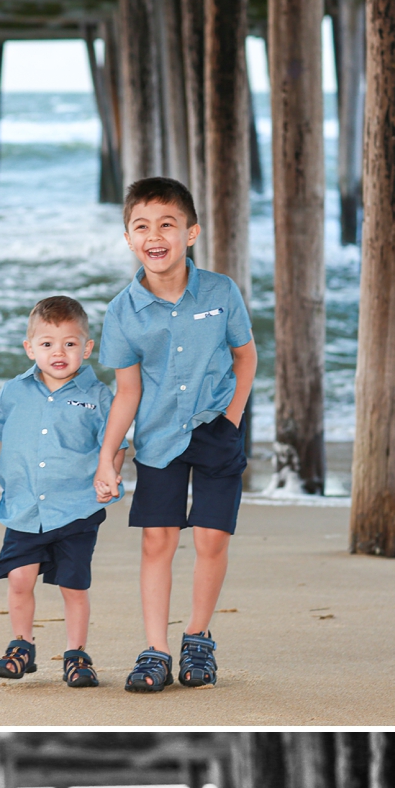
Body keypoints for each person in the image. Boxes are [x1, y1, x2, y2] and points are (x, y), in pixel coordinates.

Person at [93, 178, 257, 693]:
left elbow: (246, 357)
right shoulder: (122, 311)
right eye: (141, 226)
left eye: (167, 224)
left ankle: (197, 637)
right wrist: (108, 456)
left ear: (191, 233)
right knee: (157, 541)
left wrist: (231, 418)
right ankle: (155, 650)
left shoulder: (220, 291)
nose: (155, 235)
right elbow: (126, 392)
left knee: (211, 538)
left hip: (215, 428)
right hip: (159, 437)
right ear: (128, 238)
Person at [0, 296, 123, 689]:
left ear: (87, 347)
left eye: (70, 344)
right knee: (19, 579)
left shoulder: (97, 397)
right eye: (47, 344)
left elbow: (115, 442)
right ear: (30, 348)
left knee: (73, 586)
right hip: (25, 508)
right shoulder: (15, 391)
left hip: (76, 509)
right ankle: (22, 646)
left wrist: (109, 472)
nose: (58, 353)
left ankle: (77, 654)